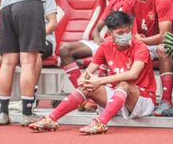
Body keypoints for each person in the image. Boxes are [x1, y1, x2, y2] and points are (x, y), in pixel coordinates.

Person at [28, 11, 157, 135]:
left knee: (123, 84)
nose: (125, 35)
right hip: (118, 98)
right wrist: (84, 79)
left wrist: (99, 81)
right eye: (120, 32)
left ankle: (101, 122)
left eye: (128, 31)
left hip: (143, 99)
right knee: (87, 86)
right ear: (110, 33)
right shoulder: (106, 46)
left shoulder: (140, 47)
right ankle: (51, 119)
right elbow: (90, 70)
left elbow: (133, 74)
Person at [0, 0, 57, 114]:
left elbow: (52, 24)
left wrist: (32, 38)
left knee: (34, 52)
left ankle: (30, 97)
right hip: (15, 43)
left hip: (42, 39)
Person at [120, 0, 173, 116]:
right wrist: (134, 39)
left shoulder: (162, 0)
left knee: (163, 49)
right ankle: (121, 97)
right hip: (143, 43)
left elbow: (165, 36)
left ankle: (166, 100)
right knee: (117, 47)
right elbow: (125, 29)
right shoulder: (130, 0)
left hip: (169, 43)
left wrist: (140, 40)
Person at [58, 0, 130, 91]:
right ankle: (83, 93)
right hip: (105, 44)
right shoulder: (114, 3)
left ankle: (95, 94)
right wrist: (97, 37)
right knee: (65, 50)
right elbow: (95, 29)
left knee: (108, 52)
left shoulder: (138, 3)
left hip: (122, 45)